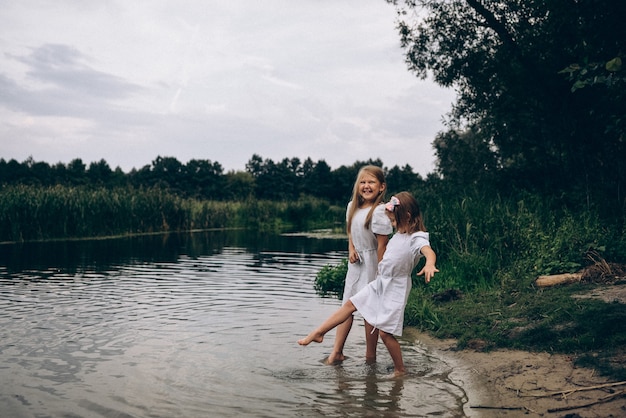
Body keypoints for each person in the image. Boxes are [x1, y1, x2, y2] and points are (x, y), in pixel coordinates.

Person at [298, 192, 438, 377]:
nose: (392, 225)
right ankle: (318, 332)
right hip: (380, 283)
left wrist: (430, 263)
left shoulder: (416, 237)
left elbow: (428, 251)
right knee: (349, 304)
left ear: (406, 216)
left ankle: (400, 370)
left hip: (395, 288)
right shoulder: (399, 235)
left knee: (385, 335)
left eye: (394, 221)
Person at [328, 165, 393, 365]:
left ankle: (370, 357)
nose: (366, 186)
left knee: (369, 311)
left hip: (374, 264)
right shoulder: (352, 207)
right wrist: (351, 249)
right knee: (346, 307)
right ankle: (336, 352)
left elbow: (383, 246)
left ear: (381, 187)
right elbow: (351, 231)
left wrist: (382, 274)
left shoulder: (380, 212)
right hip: (356, 264)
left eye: (371, 182)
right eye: (362, 182)